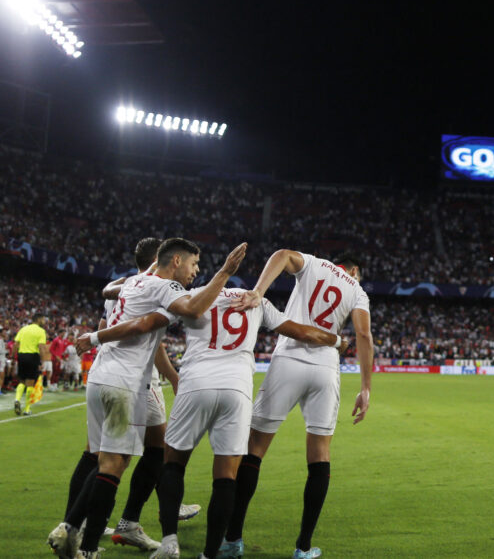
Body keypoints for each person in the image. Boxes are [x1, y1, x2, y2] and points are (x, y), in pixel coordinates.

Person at [81, 281, 345, 559]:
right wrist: (337, 341)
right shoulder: (256, 301)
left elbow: (147, 322)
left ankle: (170, 541)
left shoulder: (192, 297)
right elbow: (301, 332)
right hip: (236, 389)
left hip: (196, 383)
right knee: (226, 475)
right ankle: (211, 552)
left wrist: (98, 333)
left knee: (173, 462)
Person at [49, 238, 247, 559]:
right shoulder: (163, 289)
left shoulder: (132, 282)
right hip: (125, 382)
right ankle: (85, 548)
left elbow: (112, 295)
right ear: (177, 261)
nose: (196, 272)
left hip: (100, 375)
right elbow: (181, 312)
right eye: (194, 265)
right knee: (113, 465)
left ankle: (70, 527)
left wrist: (96, 336)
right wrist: (225, 272)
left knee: (102, 457)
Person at [222, 250, 374, 559]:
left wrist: (258, 291)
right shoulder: (357, 290)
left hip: (289, 358)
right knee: (320, 454)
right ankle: (303, 548)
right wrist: (366, 388)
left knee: (255, 449)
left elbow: (281, 255)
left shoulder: (315, 263)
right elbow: (363, 334)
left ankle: (233, 539)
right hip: (326, 369)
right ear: (354, 268)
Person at [13, 314, 48, 416]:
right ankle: (27, 409)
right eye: (43, 319)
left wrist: (12, 357)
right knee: (30, 383)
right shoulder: (41, 331)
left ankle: (17, 399)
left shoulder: (23, 329)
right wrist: (43, 361)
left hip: (21, 356)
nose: (44, 321)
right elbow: (41, 347)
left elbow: (16, 344)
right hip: (32, 356)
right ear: (38, 319)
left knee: (22, 381)